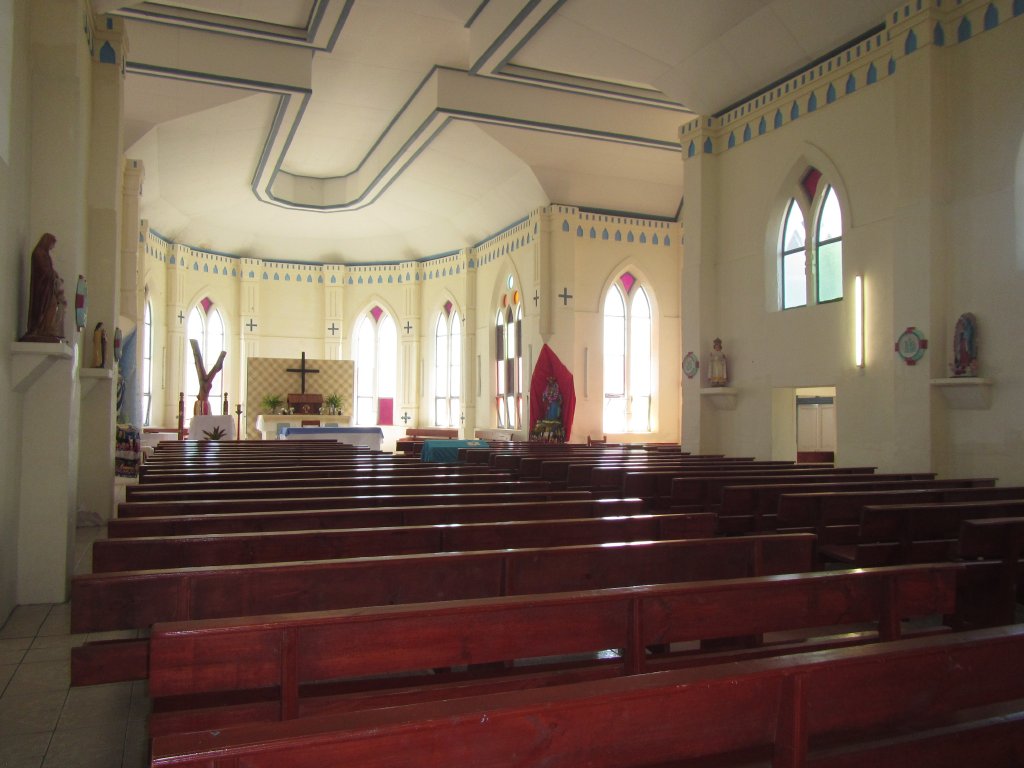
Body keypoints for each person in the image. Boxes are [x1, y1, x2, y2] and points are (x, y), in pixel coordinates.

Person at [21, 233, 67, 342]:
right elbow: (43, 270)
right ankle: (39, 329)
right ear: (47, 241)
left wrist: (54, 274)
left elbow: (48, 269)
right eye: (52, 244)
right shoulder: (38, 253)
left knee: (53, 305)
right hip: (41, 289)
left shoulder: (45, 254)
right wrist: (53, 274)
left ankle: (46, 330)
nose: (52, 247)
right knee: (46, 306)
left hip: (47, 288)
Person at [190, 338, 227, 415]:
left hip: (204, 386)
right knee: (198, 364)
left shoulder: (202, 400)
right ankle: (219, 362)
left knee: (198, 364)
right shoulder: (201, 400)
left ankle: (219, 362)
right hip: (204, 386)